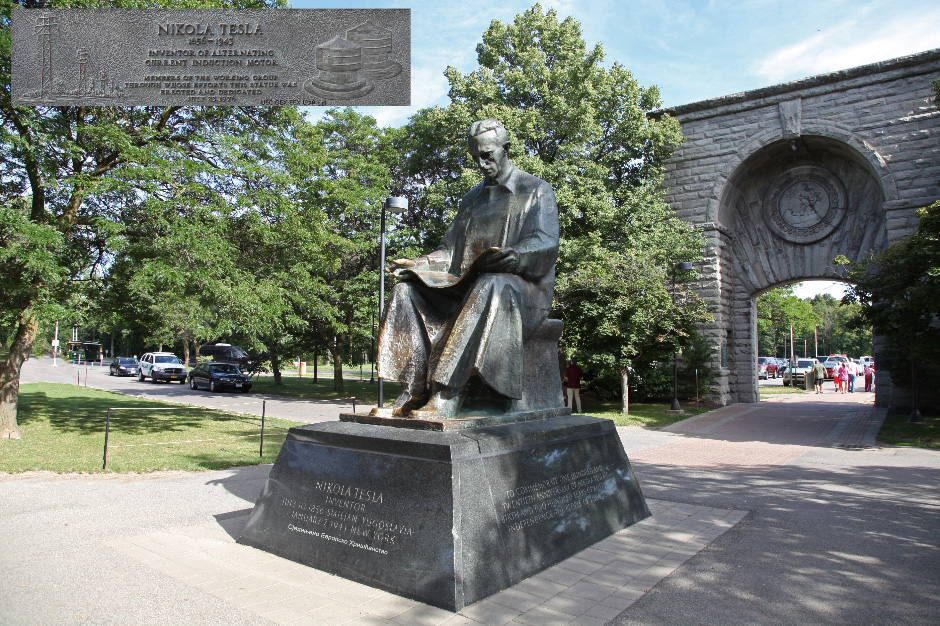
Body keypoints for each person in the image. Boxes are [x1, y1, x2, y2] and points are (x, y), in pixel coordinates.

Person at [376, 119, 559, 418]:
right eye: (475, 157)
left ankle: (447, 394)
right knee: (405, 290)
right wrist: (418, 264)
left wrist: (514, 256)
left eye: (487, 155)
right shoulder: (471, 200)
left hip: (524, 292)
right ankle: (411, 390)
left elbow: (546, 243)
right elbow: (450, 251)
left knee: (492, 283)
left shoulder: (536, 190)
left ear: (506, 149)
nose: (481, 163)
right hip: (468, 288)